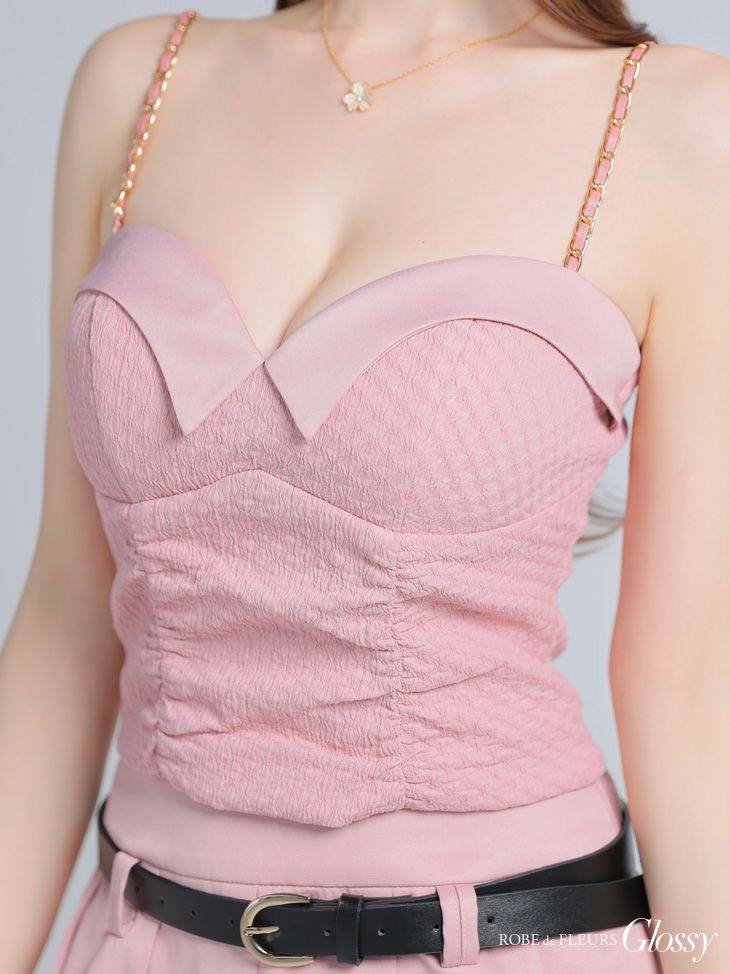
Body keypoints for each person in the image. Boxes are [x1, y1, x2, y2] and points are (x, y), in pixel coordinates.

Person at [1, 1, 728, 971]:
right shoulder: (137, 78)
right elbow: (65, 617)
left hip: (508, 942)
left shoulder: (676, 122)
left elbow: (686, 691)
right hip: (140, 940)